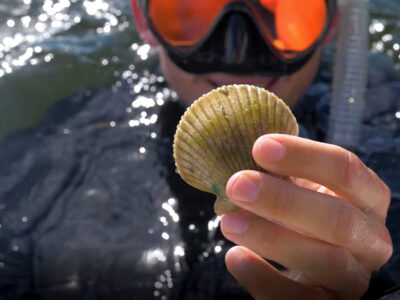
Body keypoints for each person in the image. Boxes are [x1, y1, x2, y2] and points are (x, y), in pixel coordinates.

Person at [0, 0, 399, 299]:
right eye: (194, 8)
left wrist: (372, 283)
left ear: (332, 23)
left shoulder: (387, 122)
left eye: (282, 7)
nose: (239, 48)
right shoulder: (70, 139)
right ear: (144, 19)